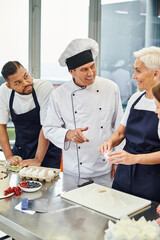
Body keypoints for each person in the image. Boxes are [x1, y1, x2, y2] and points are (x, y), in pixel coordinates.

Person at [42, 38, 123, 181]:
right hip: (73, 169)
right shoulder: (59, 94)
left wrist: (117, 160)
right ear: (72, 72)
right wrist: (68, 134)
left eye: (92, 66)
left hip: (104, 166)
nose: (90, 73)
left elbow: (119, 127)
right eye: (84, 69)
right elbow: (49, 128)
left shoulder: (111, 88)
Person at [99, 46, 160, 202]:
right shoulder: (135, 99)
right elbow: (120, 133)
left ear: (156, 73)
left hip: (152, 178)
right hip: (125, 173)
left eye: (138, 71)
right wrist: (109, 142)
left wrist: (134, 158)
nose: (133, 76)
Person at [0, 61, 61, 168]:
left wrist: (37, 159)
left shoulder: (44, 88)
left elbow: (46, 126)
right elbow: (1, 125)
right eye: (18, 82)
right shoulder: (4, 91)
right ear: (9, 86)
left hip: (47, 152)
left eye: (26, 76)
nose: (26, 83)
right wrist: (9, 156)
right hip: (21, 150)